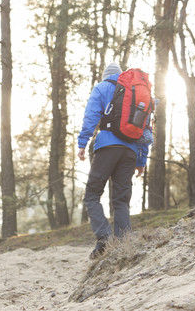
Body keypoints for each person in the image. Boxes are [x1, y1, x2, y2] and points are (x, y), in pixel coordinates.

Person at [77, 62, 153, 259]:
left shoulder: (101, 88)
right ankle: (123, 243)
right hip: (130, 150)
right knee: (121, 200)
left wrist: (83, 143)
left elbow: (91, 116)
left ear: (104, 76)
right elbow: (146, 130)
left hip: (106, 147)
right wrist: (141, 160)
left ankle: (104, 238)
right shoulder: (135, 95)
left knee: (92, 195)